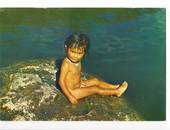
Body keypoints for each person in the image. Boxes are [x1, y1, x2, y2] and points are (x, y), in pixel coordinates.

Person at [58, 34, 128, 105]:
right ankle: (116, 92)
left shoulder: (77, 60)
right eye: (73, 52)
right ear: (66, 48)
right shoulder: (66, 64)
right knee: (95, 89)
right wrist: (70, 96)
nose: (75, 56)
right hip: (73, 91)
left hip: (78, 85)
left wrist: (79, 81)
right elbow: (61, 81)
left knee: (95, 81)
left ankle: (115, 87)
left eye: (79, 53)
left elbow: (75, 74)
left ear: (84, 52)